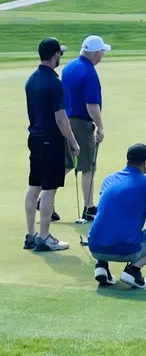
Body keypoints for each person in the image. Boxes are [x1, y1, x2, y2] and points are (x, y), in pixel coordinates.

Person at [87, 143, 146, 289]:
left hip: (95, 247)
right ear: (145, 163)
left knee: (108, 223)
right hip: (127, 250)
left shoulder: (109, 179)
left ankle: (102, 266)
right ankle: (133, 271)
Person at [24, 38, 80, 252]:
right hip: (51, 140)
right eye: (60, 55)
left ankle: (31, 234)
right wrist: (73, 142)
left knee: (34, 185)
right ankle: (45, 237)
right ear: (54, 55)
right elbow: (60, 118)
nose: (60, 58)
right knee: (48, 188)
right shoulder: (54, 83)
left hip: (35, 138)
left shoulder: (31, 80)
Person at [62, 35, 111, 221]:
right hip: (81, 123)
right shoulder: (89, 73)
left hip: (65, 121)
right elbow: (92, 105)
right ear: (96, 54)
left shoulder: (69, 67)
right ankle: (89, 208)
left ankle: (43, 199)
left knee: (66, 163)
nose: (103, 56)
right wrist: (100, 127)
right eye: (102, 53)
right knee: (88, 165)